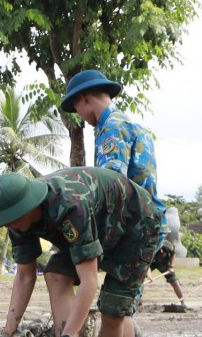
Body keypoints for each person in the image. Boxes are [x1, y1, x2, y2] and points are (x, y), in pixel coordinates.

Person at [0, 167, 160, 337]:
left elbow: (89, 281)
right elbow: (24, 277)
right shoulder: (15, 222)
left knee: (113, 305)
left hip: (135, 223)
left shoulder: (70, 206)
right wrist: (7, 333)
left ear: (27, 207)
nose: (8, 226)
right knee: (55, 274)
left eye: (10, 220)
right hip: (94, 224)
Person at [61, 69, 166, 226]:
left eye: (77, 110)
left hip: (135, 231)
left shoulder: (112, 129)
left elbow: (110, 188)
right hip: (149, 223)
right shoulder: (129, 125)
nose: (80, 116)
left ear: (82, 98)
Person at [148, 239, 188, 307]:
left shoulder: (165, 244)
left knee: (174, 282)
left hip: (163, 262)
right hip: (149, 263)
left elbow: (173, 253)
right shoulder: (146, 245)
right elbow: (146, 264)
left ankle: (182, 302)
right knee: (139, 281)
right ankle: (137, 300)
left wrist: (171, 266)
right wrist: (149, 276)